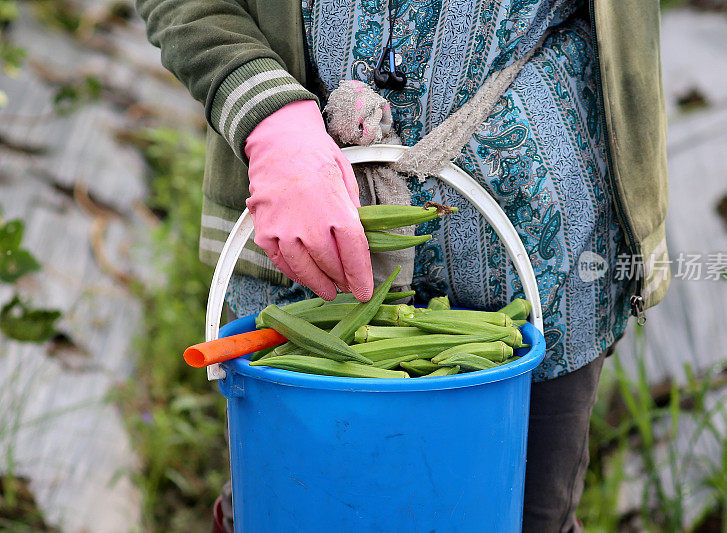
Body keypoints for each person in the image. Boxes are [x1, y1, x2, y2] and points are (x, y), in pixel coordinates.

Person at [136, 0, 669, 531]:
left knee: (522, 512)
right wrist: (272, 122)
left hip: (541, 245)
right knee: (296, 504)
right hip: (306, 242)